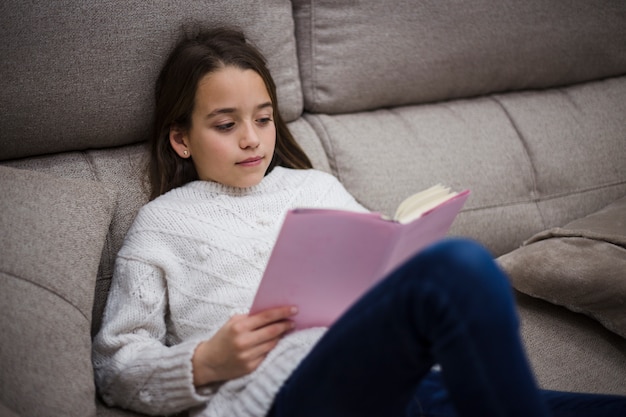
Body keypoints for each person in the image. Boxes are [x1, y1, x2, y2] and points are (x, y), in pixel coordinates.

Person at [92, 27, 626, 417]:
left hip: (399, 380)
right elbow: (115, 366)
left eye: (263, 119)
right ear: (181, 138)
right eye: (226, 124)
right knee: (459, 263)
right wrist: (207, 360)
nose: (252, 138)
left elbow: (376, 267)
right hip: (279, 396)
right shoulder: (160, 226)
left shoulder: (313, 187)